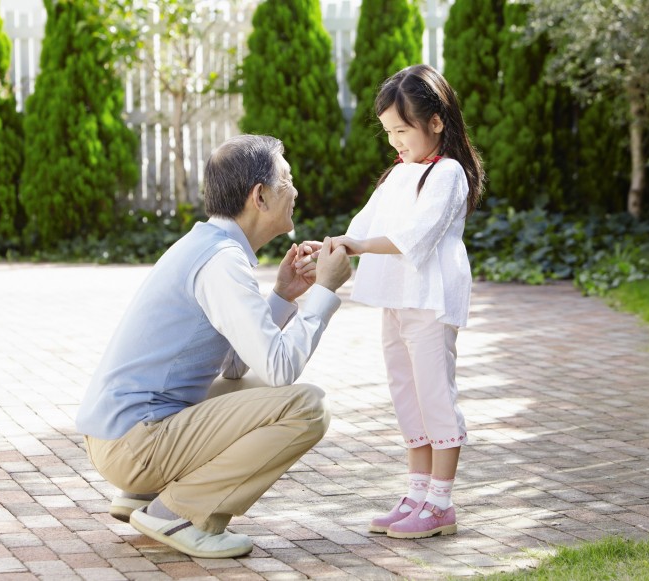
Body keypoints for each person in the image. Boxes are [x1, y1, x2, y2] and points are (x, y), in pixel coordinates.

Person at [76, 134, 352, 559]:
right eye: (288, 179)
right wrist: (325, 292)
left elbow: (237, 369)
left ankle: (142, 493)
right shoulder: (222, 260)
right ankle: (177, 512)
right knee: (307, 407)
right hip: (135, 443)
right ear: (259, 196)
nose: (295, 191)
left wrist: (282, 295)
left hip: (124, 438)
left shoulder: (209, 246)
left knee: (264, 392)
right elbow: (280, 368)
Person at [331, 64, 484, 539]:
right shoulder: (401, 173)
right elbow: (364, 223)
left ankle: (441, 502)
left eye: (402, 130)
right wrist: (333, 245)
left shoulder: (448, 173)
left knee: (435, 395)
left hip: (431, 302)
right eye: (388, 132)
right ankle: (416, 493)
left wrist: (356, 246)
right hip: (398, 301)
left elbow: (414, 237)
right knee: (406, 394)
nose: (395, 141)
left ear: (436, 122)